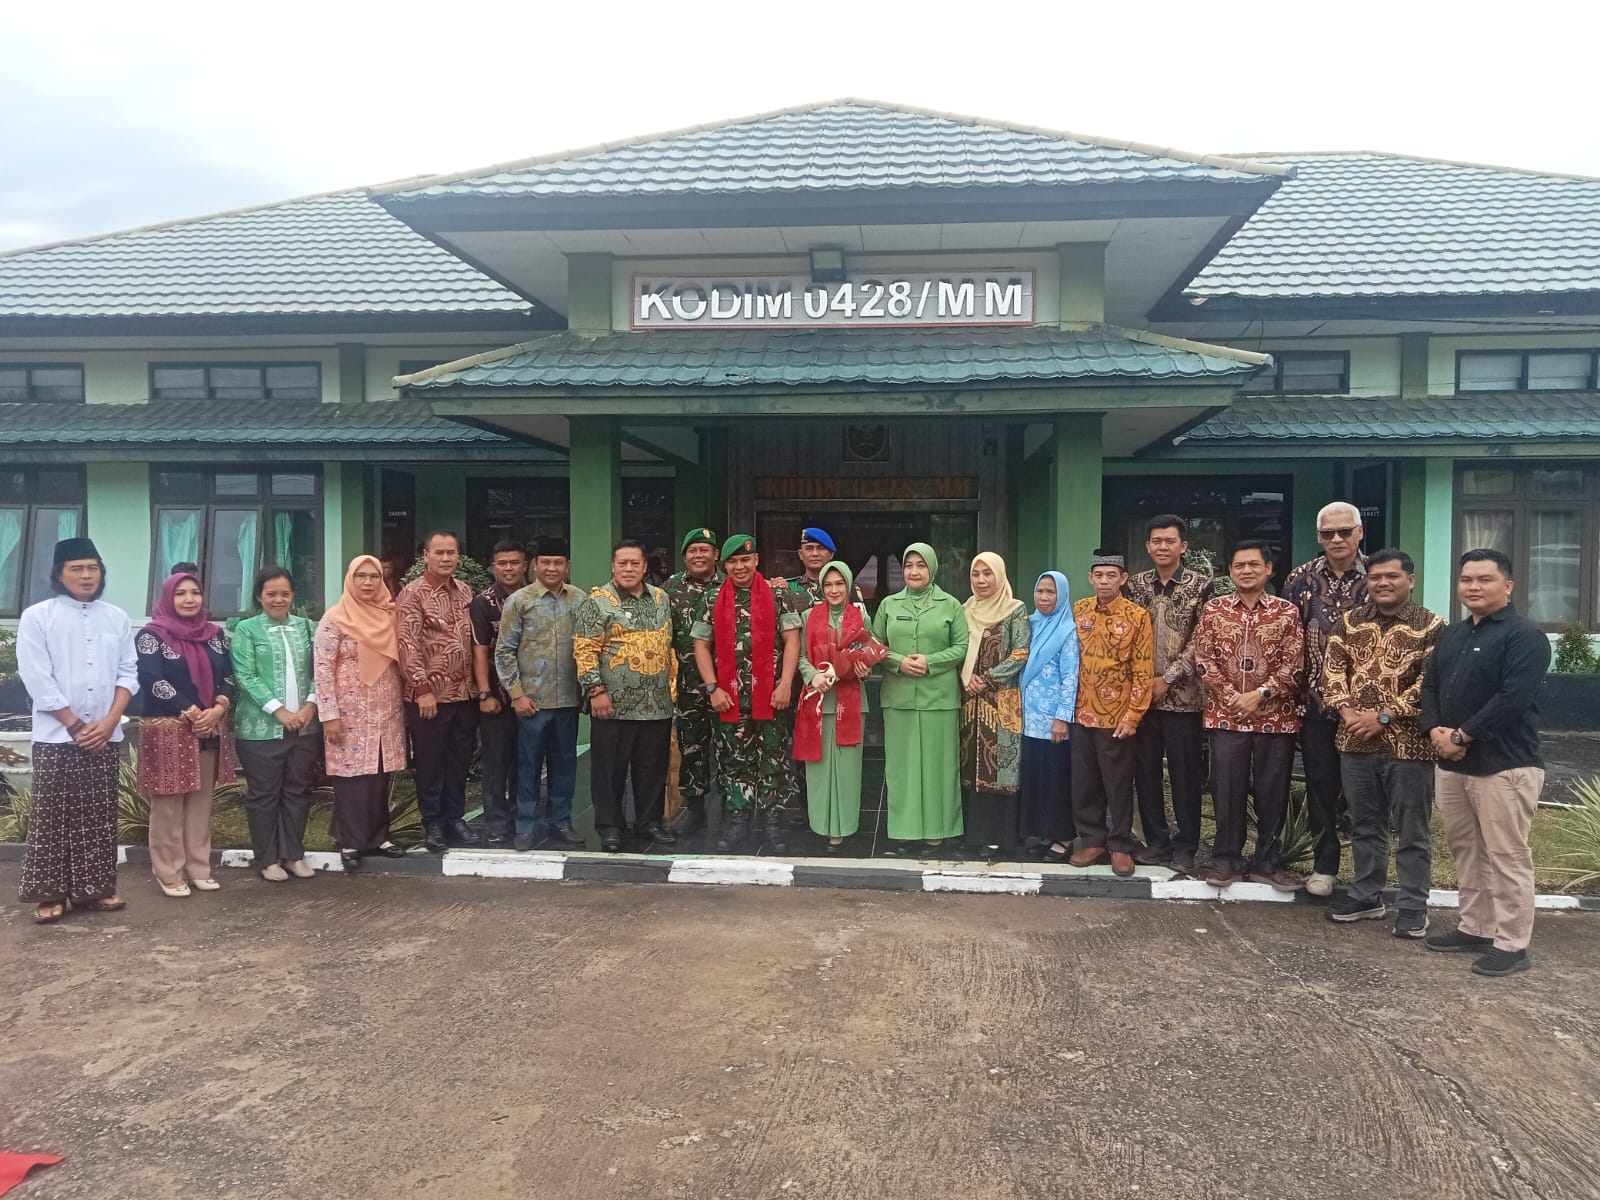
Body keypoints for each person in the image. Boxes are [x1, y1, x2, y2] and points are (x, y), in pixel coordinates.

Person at [1421, 548, 1551, 977]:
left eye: (1485, 579)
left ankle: (1512, 944)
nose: (1473, 587)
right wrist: (1435, 731)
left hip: (1504, 763)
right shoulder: (1453, 634)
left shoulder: (1524, 636)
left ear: (1508, 585)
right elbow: (1430, 686)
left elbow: (1513, 698)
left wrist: (1462, 735)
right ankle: (1476, 926)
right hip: (1454, 764)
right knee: (1467, 850)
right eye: (1466, 579)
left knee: (1507, 855)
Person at [1321, 550, 1443, 938]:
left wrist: (1385, 716)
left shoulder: (1432, 626)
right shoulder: (1349, 622)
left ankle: (1412, 906)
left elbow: (1430, 684)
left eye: (1392, 576)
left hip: (1409, 746)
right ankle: (1366, 895)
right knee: (1365, 825)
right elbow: (1333, 672)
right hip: (1355, 741)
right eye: (1375, 577)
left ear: (1411, 580)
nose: (1382, 583)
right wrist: (1347, 713)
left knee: (1412, 831)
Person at [16, 537, 137, 923]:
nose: (87, 575)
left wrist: (110, 721)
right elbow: (37, 677)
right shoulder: (38, 616)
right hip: (56, 736)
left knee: (98, 815)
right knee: (52, 815)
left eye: (93, 568)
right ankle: (49, 893)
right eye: (77, 568)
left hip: (105, 734)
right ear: (59, 574)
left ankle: (94, 891)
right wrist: (74, 725)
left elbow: (128, 673)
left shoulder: (116, 617)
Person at [1194, 541, 1305, 892]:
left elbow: (1295, 664)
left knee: (1273, 791)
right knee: (1226, 789)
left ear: (1268, 569)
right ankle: (1225, 859)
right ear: (1230, 571)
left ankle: (1266, 863)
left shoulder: (1287, 612)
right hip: (1226, 717)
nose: (1246, 571)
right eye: (1239, 565)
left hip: (1276, 717)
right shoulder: (1214, 610)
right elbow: (1203, 660)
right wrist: (1233, 698)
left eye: (1254, 564)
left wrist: (1260, 695)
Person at [693, 534, 802, 853]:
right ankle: (737, 819)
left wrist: (785, 683)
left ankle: (772, 821)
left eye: (745, 560)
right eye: (732, 561)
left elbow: (792, 641)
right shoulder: (712, 598)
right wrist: (712, 687)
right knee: (734, 759)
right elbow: (701, 645)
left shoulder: (777, 595)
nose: (739, 566)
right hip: (729, 697)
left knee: (774, 757)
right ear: (724, 564)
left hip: (772, 695)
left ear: (756, 560)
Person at [1284, 500, 1369, 896]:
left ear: (1359, 532)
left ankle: (1368, 873)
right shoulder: (1298, 578)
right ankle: (1325, 865)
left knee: (1364, 790)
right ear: (1318, 537)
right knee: (1320, 785)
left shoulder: (1378, 576)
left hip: (1365, 708)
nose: (1337, 539)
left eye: (1344, 531)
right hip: (1315, 704)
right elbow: (1288, 637)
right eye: (1328, 533)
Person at [137, 572, 237, 897]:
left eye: (195, 592)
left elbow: (229, 676)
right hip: (168, 729)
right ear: (169, 597)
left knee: (200, 801)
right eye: (181, 593)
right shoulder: (151, 635)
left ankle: (198, 867)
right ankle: (168, 871)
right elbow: (152, 679)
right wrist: (194, 713)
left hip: (209, 726)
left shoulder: (215, 635)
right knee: (168, 803)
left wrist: (218, 709)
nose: (189, 599)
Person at [574, 540, 677, 852]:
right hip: (612, 704)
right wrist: (595, 691)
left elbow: (669, 645)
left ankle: (649, 823)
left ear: (644, 567)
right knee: (609, 771)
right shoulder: (597, 602)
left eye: (635, 563)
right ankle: (610, 827)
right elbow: (584, 650)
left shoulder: (660, 598)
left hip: (656, 703)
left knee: (652, 769)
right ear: (613, 566)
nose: (629, 569)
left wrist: (672, 688)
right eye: (623, 563)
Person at [1124, 515, 1214, 871]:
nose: (1163, 547)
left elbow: (1203, 637)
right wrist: (1143, 683)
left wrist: (1169, 677)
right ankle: (1157, 842)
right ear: (1148, 546)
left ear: (1183, 546)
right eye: (1156, 541)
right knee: (1145, 773)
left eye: (1170, 541)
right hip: (1142, 699)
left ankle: (1186, 846)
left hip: (1184, 700)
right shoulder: (1136, 585)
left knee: (1184, 776)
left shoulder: (1200, 585)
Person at [872, 542, 968, 857]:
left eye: (921, 565)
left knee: (939, 767)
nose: (914, 571)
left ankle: (937, 833)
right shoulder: (889, 605)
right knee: (902, 768)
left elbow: (961, 647)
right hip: (898, 698)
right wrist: (897, 662)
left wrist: (930, 662)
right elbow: (874, 645)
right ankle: (904, 832)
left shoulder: (950, 605)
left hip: (939, 698)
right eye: (908, 565)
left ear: (932, 569)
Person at [314, 555, 409, 870]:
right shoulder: (335, 618)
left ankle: (379, 837)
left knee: (379, 773)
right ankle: (350, 840)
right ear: (350, 579)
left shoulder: (389, 614)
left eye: (374, 576)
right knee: (351, 776)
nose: (368, 582)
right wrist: (329, 715)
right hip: (349, 712)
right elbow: (322, 669)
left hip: (386, 708)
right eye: (361, 576)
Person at [231, 567, 321, 882]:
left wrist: (310, 705)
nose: (278, 599)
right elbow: (246, 676)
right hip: (261, 730)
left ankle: (293, 855)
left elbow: (320, 670)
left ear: (293, 595)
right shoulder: (247, 630)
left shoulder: (308, 628)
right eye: (271, 594)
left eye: (284, 593)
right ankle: (267, 859)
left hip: (305, 727)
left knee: (298, 791)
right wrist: (280, 711)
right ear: (259, 596)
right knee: (264, 795)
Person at [496, 536, 584, 851]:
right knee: (528, 765)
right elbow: (504, 651)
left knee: (565, 764)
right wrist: (517, 694)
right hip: (531, 702)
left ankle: (561, 822)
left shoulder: (579, 599)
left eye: (558, 562)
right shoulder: (519, 601)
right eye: (545, 562)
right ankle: (525, 826)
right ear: (535, 565)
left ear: (567, 566)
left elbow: (588, 646)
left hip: (568, 700)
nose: (551, 568)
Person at [1069, 551, 1154, 877]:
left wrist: (1133, 715)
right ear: (1090, 578)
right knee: (1085, 782)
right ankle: (1092, 840)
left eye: (1111, 575)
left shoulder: (1137, 616)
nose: (1104, 581)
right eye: (1099, 575)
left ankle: (1120, 844)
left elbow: (1143, 669)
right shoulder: (1079, 610)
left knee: (1117, 783)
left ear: (1123, 579)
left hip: (1116, 717)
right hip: (1080, 712)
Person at [396, 531, 479, 853]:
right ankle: (432, 823)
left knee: (459, 760)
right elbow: (407, 643)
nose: (446, 558)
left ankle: (454, 818)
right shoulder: (412, 593)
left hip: (464, 693)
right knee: (431, 763)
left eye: (451, 552)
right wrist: (422, 689)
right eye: (439, 552)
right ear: (425, 556)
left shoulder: (465, 590)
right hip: (430, 697)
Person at [793, 561, 884, 853]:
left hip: (851, 702)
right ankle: (821, 825)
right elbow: (801, 656)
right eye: (828, 585)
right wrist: (813, 676)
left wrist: (864, 671)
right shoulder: (808, 616)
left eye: (839, 584)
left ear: (848, 585)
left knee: (847, 770)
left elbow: (868, 654)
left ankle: (844, 828)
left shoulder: (861, 616)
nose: (834, 590)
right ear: (821, 587)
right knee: (818, 769)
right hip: (818, 700)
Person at [958, 552, 1030, 861]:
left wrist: (987, 678)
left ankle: (1000, 837)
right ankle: (971, 835)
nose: (981, 580)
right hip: (967, 701)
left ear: (999, 576)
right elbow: (956, 648)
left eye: (988, 574)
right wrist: (965, 678)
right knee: (969, 765)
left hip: (1001, 701)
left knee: (1000, 767)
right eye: (976, 574)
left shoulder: (1015, 610)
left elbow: (1020, 653)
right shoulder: (964, 609)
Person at [664, 527, 722, 835]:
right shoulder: (670, 588)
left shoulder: (731, 583)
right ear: (685, 556)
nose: (699, 555)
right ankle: (695, 809)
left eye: (705, 550)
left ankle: (732, 809)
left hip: (726, 685)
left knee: (729, 748)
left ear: (716, 555)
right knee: (691, 747)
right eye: (693, 550)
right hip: (687, 685)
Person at [470, 540, 528, 848]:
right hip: (497, 698)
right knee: (495, 764)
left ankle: (523, 820)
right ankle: (496, 824)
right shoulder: (483, 603)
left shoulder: (535, 597)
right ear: (493, 566)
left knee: (525, 762)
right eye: (502, 563)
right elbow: (479, 650)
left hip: (531, 698)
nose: (508, 569)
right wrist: (485, 693)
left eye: (514, 562)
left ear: (525, 565)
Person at [1019, 571, 1079, 862]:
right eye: (1040, 591)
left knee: (1056, 780)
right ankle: (1043, 833)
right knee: (1036, 779)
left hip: (1053, 720)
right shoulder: (1028, 625)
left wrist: (1062, 718)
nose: (1043, 597)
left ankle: (1063, 837)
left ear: (1062, 596)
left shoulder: (1067, 630)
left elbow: (1070, 677)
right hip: (1028, 718)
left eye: (1050, 592)